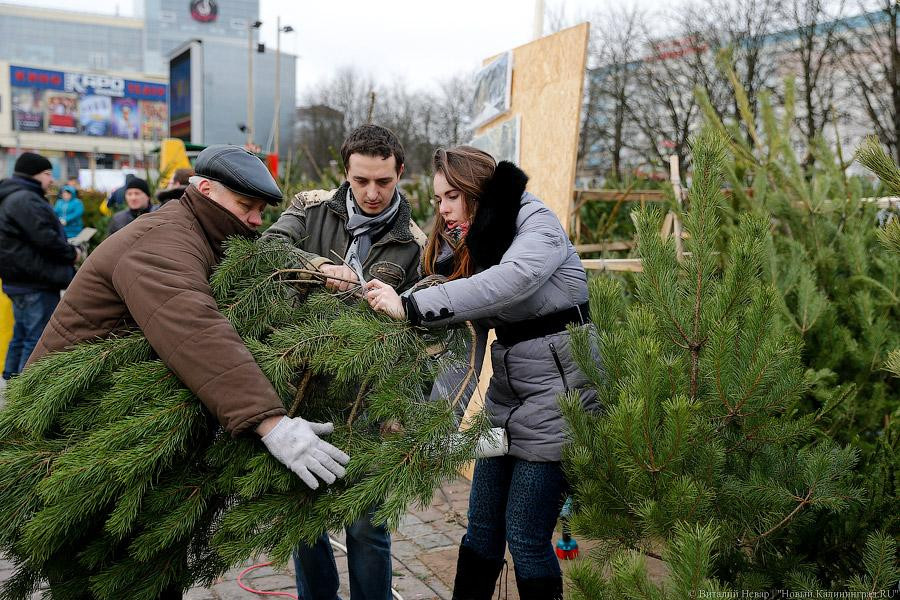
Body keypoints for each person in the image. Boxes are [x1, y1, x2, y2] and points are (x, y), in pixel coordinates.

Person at [27, 145, 350, 599]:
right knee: (98, 569)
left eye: (260, 210)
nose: (257, 220)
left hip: (125, 425)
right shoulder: (161, 241)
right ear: (204, 190)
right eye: (246, 206)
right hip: (79, 431)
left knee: (143, 570)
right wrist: (272, 423)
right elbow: (195, 328)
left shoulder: (200, 234)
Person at [366, 146, 599, 600]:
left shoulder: (535, 223)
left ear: (476, 189)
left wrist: (411, 307)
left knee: (526, 538)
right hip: (507, 399)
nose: (443, 208)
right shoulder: (475, 238)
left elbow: (512, 281)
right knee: (480, 531)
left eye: (451, 195)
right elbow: (450, 294)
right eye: (437, 199)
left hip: (560, 399)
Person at [262, 124, 425, 600]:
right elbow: (267, 249)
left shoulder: (413, 241)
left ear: (400, 174)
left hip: (368, 400)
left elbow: (418, 334)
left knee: (366, 525)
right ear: (346, 173)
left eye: (384, 182)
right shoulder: (310, 206)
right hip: (301, 388)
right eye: (361, 181)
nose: (372, 193)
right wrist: (316, 268)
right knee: (305, 519)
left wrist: (400, 406)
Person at [0, 152, 77, 382]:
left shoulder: (12, 196)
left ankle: (11, 384)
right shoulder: (26, 199)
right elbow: (47, 239)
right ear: (34, 174)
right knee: (36, 339)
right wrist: (72, 252)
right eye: (47, 173)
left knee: (21, 335)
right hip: (35, 281)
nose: (51, 180)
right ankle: (25, 393)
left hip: (19, 281)